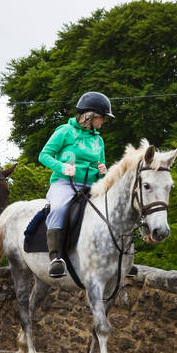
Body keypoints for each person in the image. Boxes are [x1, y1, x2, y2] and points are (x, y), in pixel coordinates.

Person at [36, 92, 111, 278]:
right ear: (90, 116)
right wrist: (62, 167)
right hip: (64, 183)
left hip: (91, 186)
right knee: (60, 208)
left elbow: (99, 164)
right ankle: (55, 258)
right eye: (102, 117)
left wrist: (103, 171)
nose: (104, 122)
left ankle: (118, 257)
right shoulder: (65, 132)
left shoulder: (98, 140)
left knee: (111, 209)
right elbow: (44, 155)